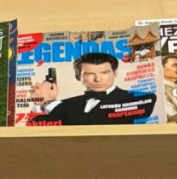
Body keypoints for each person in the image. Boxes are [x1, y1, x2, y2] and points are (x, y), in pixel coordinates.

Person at [28, 52, 156, 125]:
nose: (98, 79)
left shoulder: (143, 98)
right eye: (89, 74)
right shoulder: (65, 105)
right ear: (78, 76)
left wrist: (50, 102)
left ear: (115, 73)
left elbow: (93, 123)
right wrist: (40, 102)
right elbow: (37, 126)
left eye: (104, 73)